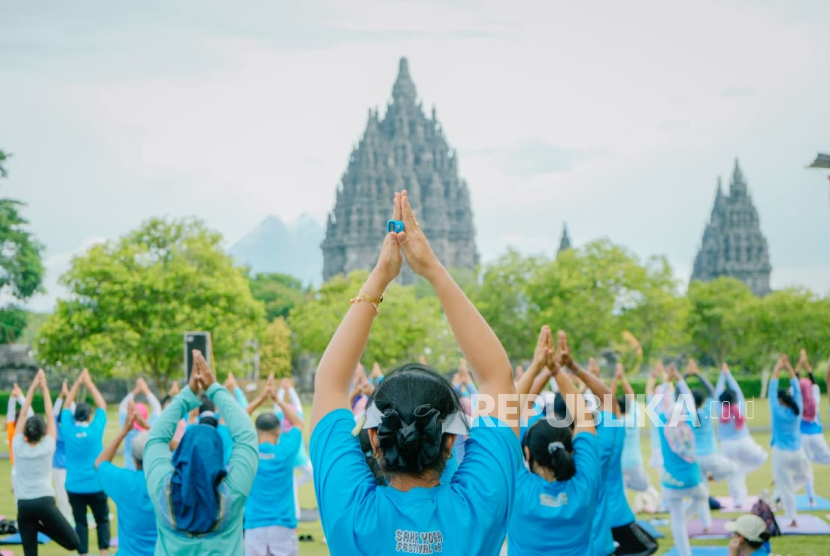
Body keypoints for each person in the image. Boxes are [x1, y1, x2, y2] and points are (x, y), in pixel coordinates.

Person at [309, 190, 521, 556]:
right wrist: (433, 270)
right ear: (450, 440)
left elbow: (329, 382)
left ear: (374, 440)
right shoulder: (478, 507)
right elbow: (497, 379)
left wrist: (379, 277)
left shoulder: (353, 514)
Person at [144, 350, 258, 555]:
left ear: (181, 455)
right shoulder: (233, 492)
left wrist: (187, 395)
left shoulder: (161, 489)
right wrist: (214, 388)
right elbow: (246, 436)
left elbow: (156, 439)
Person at [507, 326, 601, 555]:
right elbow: (583, 416)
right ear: (571, 448)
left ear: (526, 454)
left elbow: (506, 415)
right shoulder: (584, 484)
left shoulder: (517, 488)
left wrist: (538, 367)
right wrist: (558, 370)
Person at [13, 370, 80, 556]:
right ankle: (40, 528)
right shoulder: (47, 447)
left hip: (24, 507)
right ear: (43, 433)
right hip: (44, 503)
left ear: (25, 433)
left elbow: (24, 412)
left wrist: (32, 388)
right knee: (73, 542)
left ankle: (38, 527)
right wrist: (44, 388)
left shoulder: (17, 446)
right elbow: (52, 417)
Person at [244, 381, 304, 556]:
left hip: (254, 525)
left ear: (256, 431)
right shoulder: (285, 451)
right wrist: (278, 400)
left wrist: (261, 399)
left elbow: (235, 419)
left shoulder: (249, 453)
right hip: (283, 526)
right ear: (278, 432)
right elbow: (298, 423)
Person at [660, 365, 711, 556]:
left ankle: (685, 553)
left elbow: (659, 404)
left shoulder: (662, 427)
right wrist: (679, 378)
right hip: (691, 480)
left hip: (670, 482)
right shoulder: (689, 422)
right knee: (702, 497)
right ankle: (686, 516)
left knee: (677, 520)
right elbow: (689, 401)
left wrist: (666, 382)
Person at [95, 400, 157, 556]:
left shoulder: (123, 481)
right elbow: (187, 452)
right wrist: (151, 429)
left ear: (135, 461)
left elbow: (100, 463)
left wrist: (124, 431)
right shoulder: (169, 482)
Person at [62, 368, 110, 556]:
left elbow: (66, 406)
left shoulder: (67, 429)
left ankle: (83, 554)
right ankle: (104, 553)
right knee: (102, 520)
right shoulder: (95, 430)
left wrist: (76, 384)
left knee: (80, 522)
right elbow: (102, 406)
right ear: (89, 416)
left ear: (75, 416)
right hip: (96, 485)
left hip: (74, 486)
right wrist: (88, 383)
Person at [715, 363, 768, 508]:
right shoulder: (740, 406)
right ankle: (743, 471)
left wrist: (722, 375)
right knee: (761, 457)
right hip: (745, 442)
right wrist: (729, 374)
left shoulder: (719, 408)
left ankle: (738, 501)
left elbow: (717, 391)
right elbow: (738, 391)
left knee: (734, 474)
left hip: (727, 446)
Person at [769, 354, 810, 527]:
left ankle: (792, 517)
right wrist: (790, 368)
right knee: (806, 477)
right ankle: (783, 495)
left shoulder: (776, 410)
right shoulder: (797, 409)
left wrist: (779, 366)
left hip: (781, 454)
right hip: (798, 453)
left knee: (786, 487)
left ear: (779, 400)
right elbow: (797, 388)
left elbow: (772, 387)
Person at [684, 361, 737, 486]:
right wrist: (698, 374)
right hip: (711, 457)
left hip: (695, 458)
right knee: (734, 468)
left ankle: (707, 486)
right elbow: (711, 391)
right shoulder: (706, 411)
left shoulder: (686, 414)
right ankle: (715, 477)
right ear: (702, 400)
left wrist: (684, 377)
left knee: (703, 490)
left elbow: (676, 394)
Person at [794, 350, 830, 506]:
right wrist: (805, 362)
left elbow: (794, 382)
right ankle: (816, 459)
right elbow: (814, 381)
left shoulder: (796, 400)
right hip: (816, 435)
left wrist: (798, 364)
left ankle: (811, 499)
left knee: (807, 467)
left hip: (803, 437)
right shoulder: (814, 397)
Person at [276, 378, 314, 521]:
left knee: (308, 475)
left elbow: (293, 405)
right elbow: (279, 405)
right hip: (291, 456)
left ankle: (292, 488)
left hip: (299, 456)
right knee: (293, 485)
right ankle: (296, 514)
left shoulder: (293, 417)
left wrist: (285, 388)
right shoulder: (280, 418)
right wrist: (286, 388)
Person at [118, 377, 161, 471]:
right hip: (148, 470)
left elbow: (122, 407)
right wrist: (145, 389)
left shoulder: (127, 427)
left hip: (129, 469)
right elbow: (157, 408)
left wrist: (136, 391)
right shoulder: (151, 426)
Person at [52, 380, 73, 522]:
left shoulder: (55, 431)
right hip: (71, 466)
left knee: (62, 494)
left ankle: (66, 517)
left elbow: (53, 413)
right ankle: (69, 516)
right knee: (71, 493)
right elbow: (74, 412)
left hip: (59, 467)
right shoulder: (71, 430)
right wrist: (68, 395)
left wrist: (61, 396)